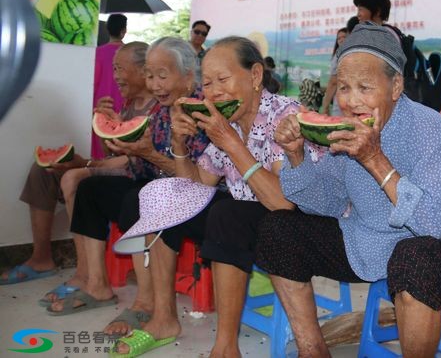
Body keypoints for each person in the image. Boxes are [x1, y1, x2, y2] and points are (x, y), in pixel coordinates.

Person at [258, 24, 441, 357]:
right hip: (369, 239)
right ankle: (313, 350)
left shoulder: (429, 129)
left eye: (365, 87)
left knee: (414, 258)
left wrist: (374, 159)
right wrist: (296, 155)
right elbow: (328, 204)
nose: (351, 102)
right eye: (344, 87)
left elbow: (431, 225)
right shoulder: (345, 126)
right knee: (278, 229)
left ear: (396, 86)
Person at [109, 36, 315, 357]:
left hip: (291, 223)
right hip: (242, 218)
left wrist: (231, 142)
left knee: (226, 215)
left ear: (255, 76)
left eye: (222, 79)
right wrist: (179, 144)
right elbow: (195, 185)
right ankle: (164, 318)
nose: (214, 90)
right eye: (207, 82)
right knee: (167, 197)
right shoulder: (228, 117)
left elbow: (284, 202)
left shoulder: (283, 115)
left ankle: (225, 347)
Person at [47, 38, 209, 340]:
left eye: (163, 75)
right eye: (150, 75)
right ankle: (96, 283)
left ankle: (146, 303)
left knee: (139, 199)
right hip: (153, 184)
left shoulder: (201, 112)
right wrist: (127, 150)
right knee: (90, 190)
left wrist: (146, 154)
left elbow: (196, 178)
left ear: (188, 76)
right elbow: (141, 167)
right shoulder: (162, 111)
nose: (155, 84)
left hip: (193, 195)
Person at [0, 42, 154, 289]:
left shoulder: (157, 107)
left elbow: (133, 160)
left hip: (135, 176)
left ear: (142, 69)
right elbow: (111, 151)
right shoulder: (127, 104)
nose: (115, 77)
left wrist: (86, 164)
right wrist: (105, 128)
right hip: (114, 166)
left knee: (73, 177)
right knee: (42, 170)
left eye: (119, 69)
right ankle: (41, 258)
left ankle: (85, 272)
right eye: (113, 69)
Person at [92, 13, 127, 159]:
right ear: (124, 30)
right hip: (124, 108)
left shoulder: (97, 53)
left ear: (107, 29)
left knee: (99, 154)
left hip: (101, 107)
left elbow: (93, 84)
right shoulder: (128, 54)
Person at [320, 27, 349, 115]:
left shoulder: (339, 54)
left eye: (344, 37)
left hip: (342, 103)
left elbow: (333, 82)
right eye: (338, 38)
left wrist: (325, 105)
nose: (341, 40)